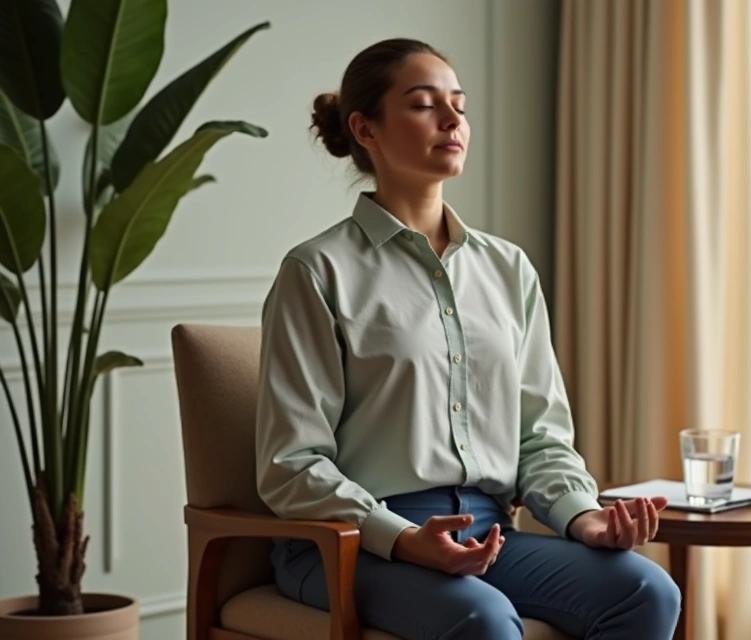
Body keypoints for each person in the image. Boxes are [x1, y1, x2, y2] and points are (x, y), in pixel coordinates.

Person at [253, 38, 682, 640]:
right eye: (425, 105)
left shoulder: (508, 269)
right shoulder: (317, 272)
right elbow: (290, 464)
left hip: (488, 531)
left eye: (459, 104)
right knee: (481, 620)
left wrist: (582, 517)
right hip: (349, 542)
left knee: (645, 590)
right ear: (364, 129)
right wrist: (401, 539)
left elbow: (540, 434)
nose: (453, 120)